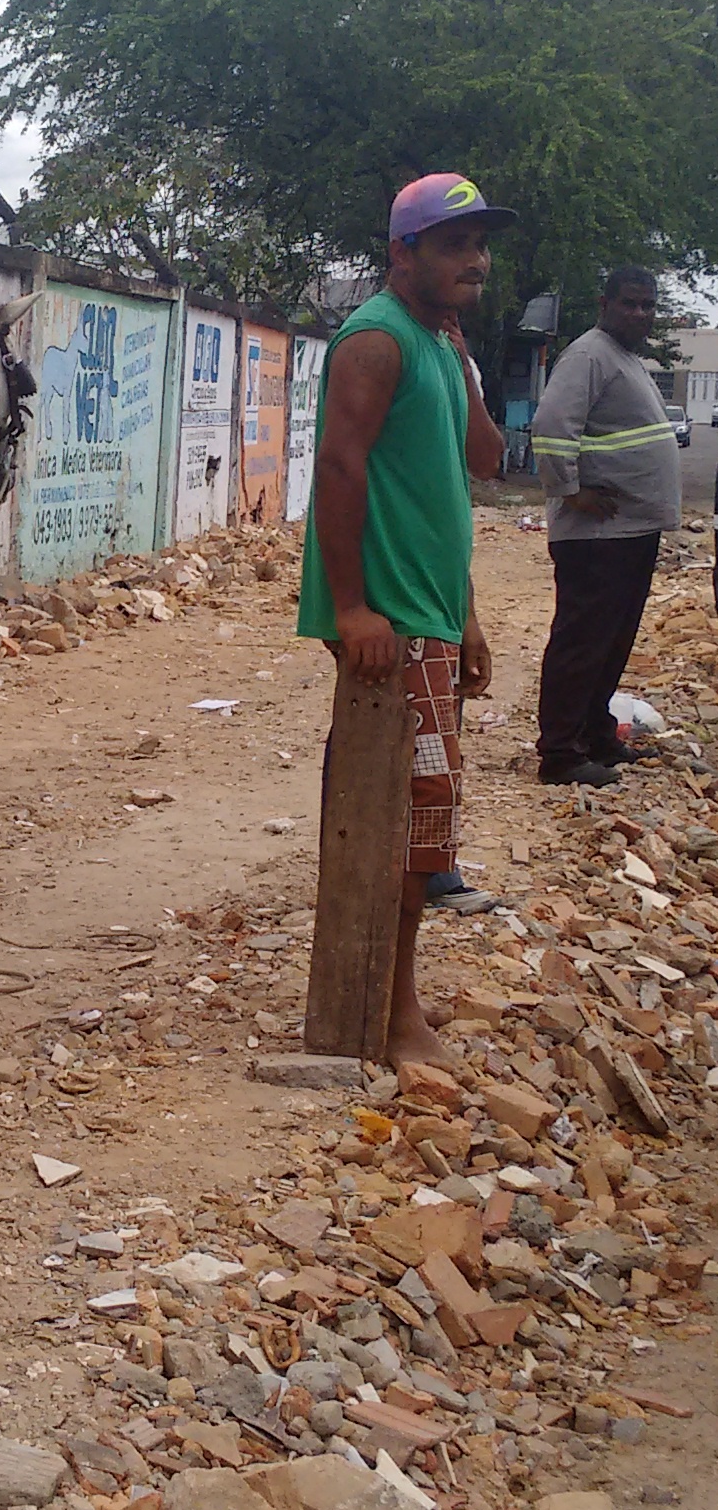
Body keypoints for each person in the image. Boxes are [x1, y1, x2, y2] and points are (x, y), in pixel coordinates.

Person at [297, 173, 507, 1067]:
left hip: (432, 617)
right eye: (455, 244)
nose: (477, 261)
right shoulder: (376, 341)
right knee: (410, 818)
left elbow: (481, 466)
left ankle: (390, 999)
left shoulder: (433, 346)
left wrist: (468, 618)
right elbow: (339, 470)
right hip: (390, 619)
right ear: (403, 253)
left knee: (425, 819)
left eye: (481, 245)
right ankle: (391, 1014)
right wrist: (351, 607)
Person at [530, 267, 676, 786]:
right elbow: (550, 426)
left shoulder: (626, 359)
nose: (639, 314)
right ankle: (560, 755)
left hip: (629, 531)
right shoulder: (590, 354)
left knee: (612, 642)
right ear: (605, 304)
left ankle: (595, 737)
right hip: (596, 536)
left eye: (648, 305)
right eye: (630, 304)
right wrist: (570, 491)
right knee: (583, 641)